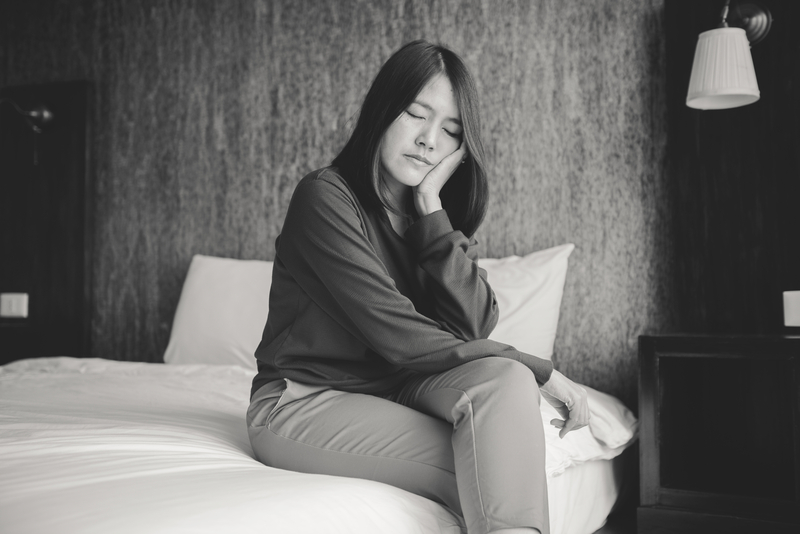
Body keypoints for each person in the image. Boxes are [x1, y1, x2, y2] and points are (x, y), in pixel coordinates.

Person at [246, 40, 589, 534]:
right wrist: (540, 369)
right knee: (497, 465)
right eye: (415, 114)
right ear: (382, 110)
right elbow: (399, 335)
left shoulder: (431, 217)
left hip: (396, 391)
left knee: (504, 385)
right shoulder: (325, 197)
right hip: (301, 401)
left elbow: (474, 324)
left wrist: (431, 206)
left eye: (450, 131)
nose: (430, 140)